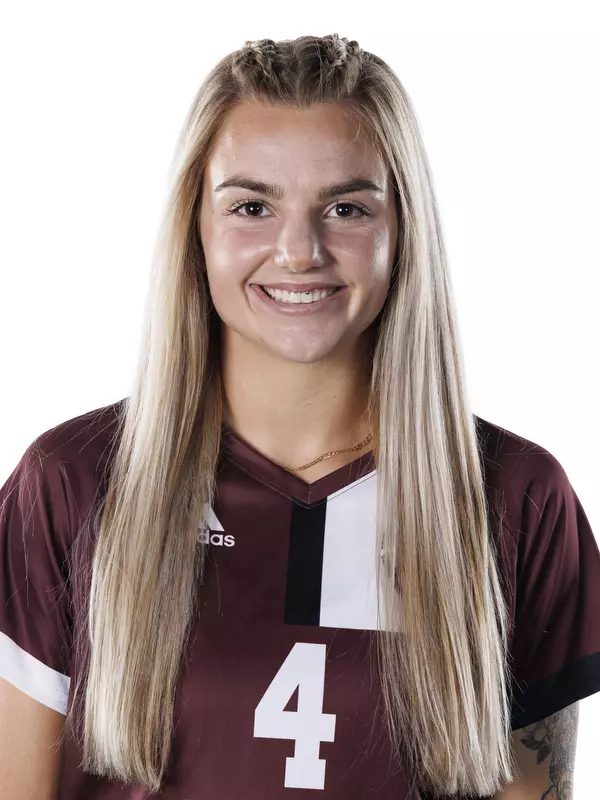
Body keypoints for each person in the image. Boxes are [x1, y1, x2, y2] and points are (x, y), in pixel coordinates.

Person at [0, 33, 599, 800]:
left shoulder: (513, 497)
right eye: (252, 205)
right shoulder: (74, 484)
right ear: (196, 229)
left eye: (345, 207)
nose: (298, 250)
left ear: (403, 229)